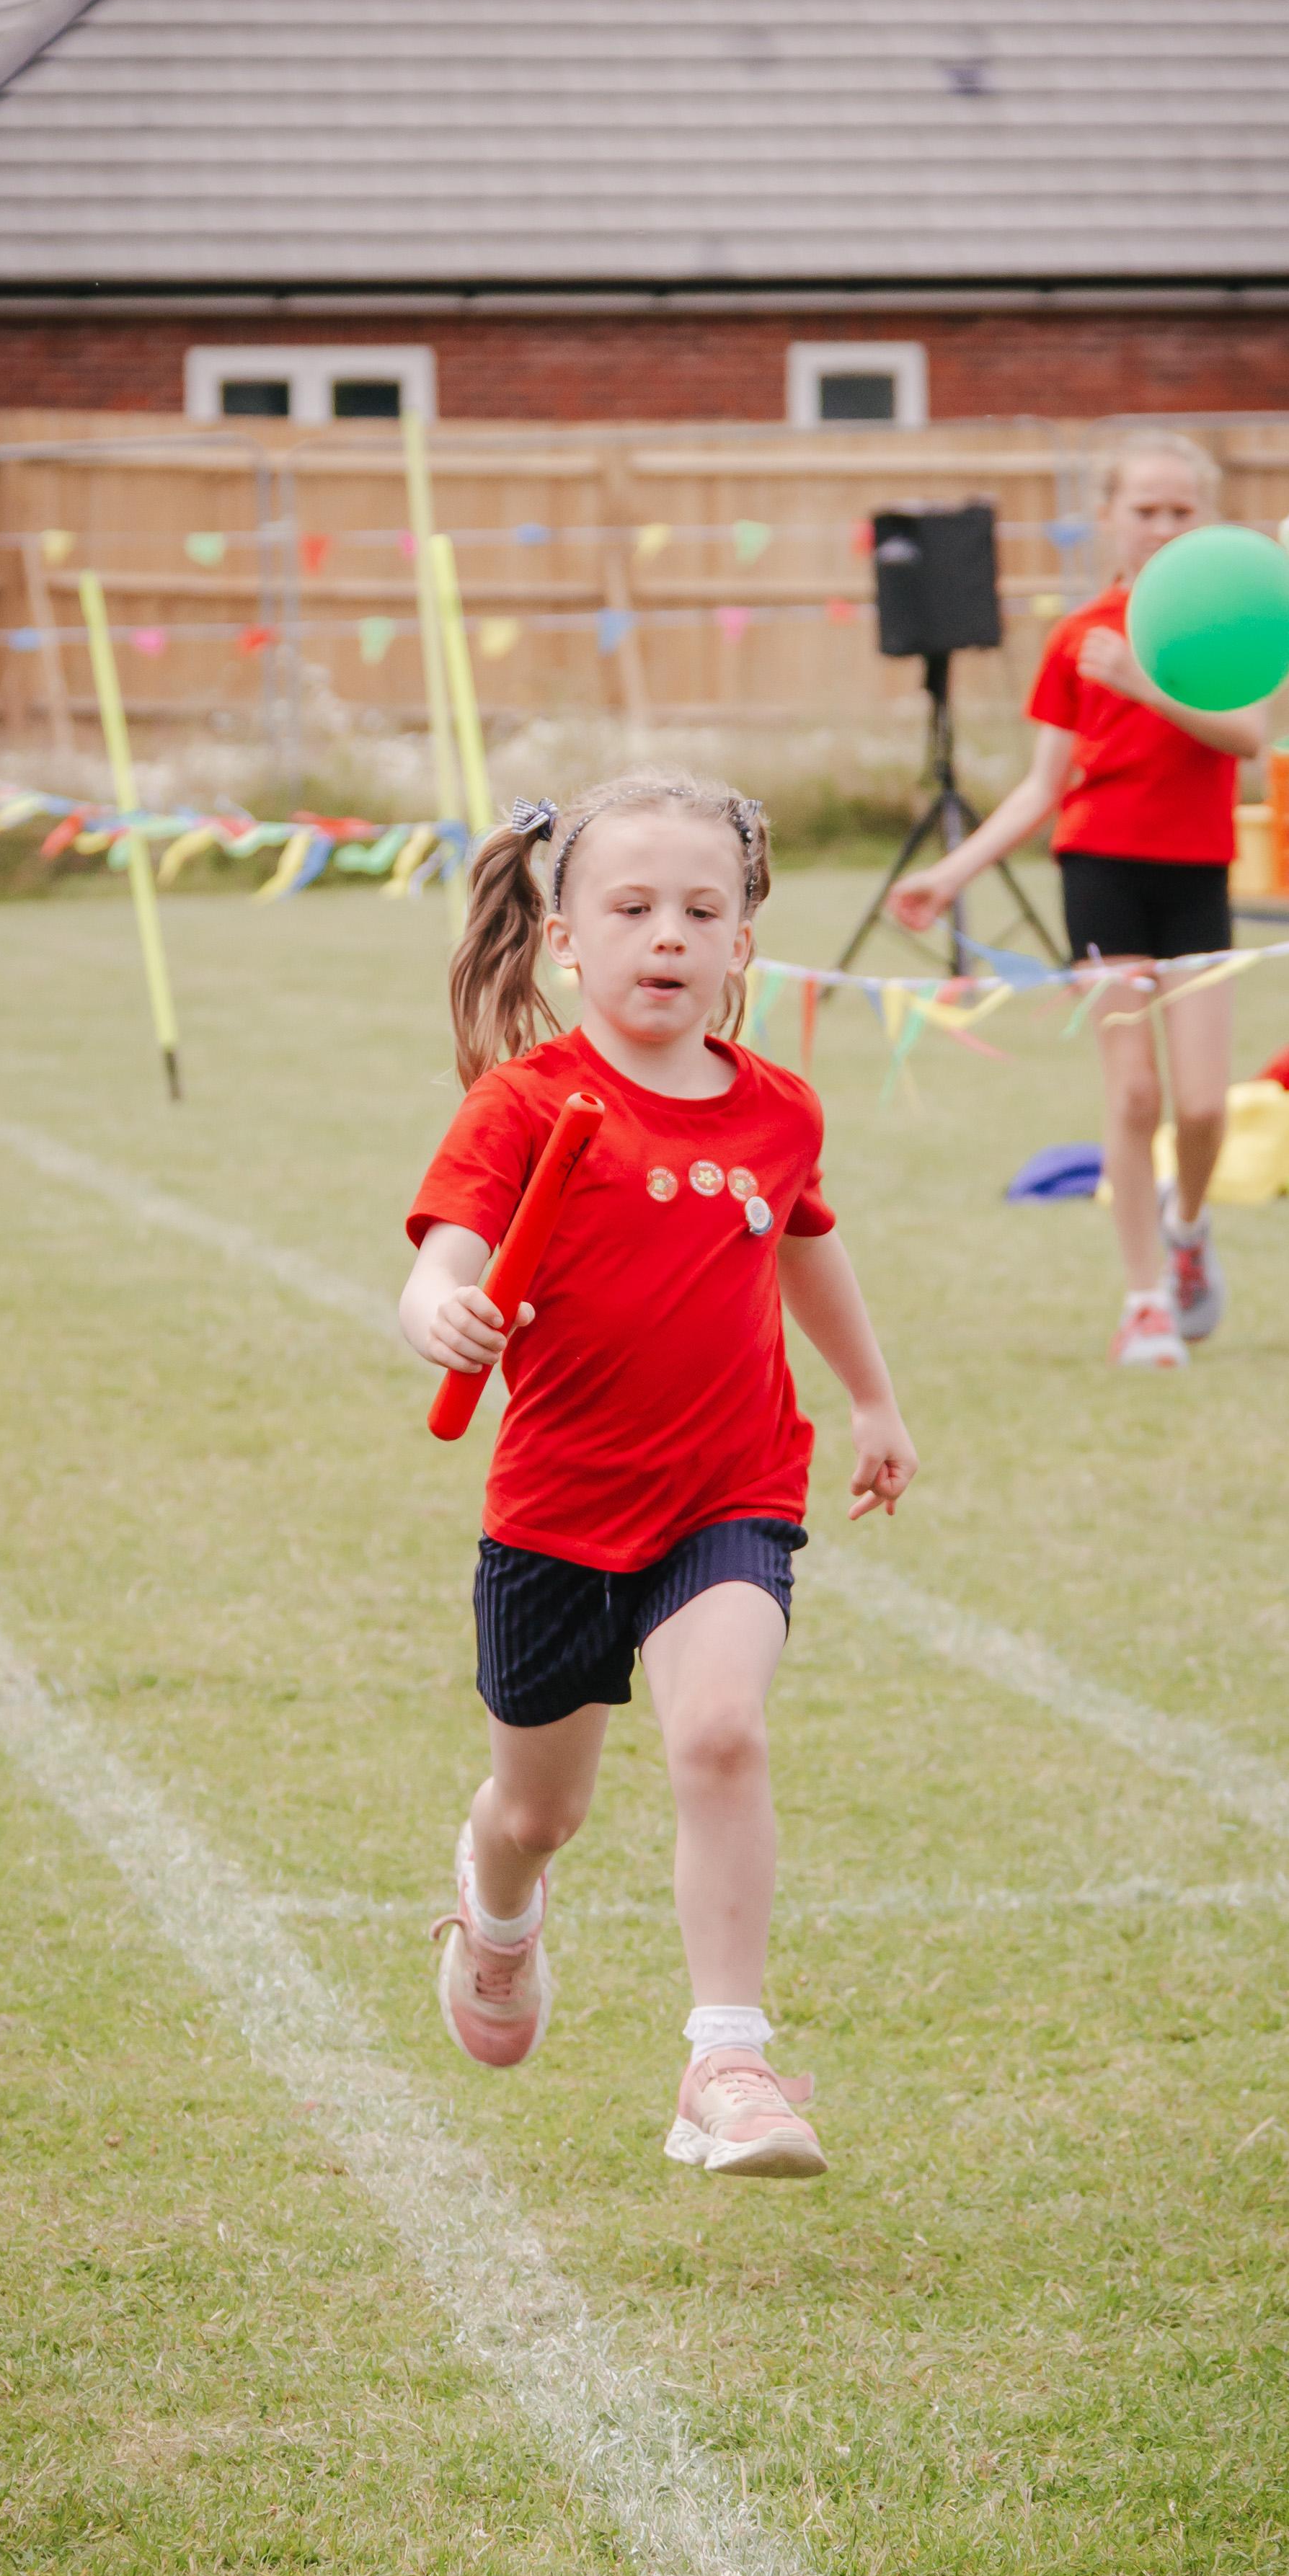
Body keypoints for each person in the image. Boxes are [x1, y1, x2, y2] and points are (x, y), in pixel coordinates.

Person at [400, 774, 917, 2180]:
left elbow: (803, 1242)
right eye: (630, 908)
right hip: (559, 1518)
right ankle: (498, 1910)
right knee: (539, 1812)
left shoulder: (778, 1110)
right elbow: (442, 1261)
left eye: (701, 908)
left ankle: (726, 2061)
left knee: (721, 1734)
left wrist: (871, 1397)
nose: (668, 935)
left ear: (743, 939)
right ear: (566, 939)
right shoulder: (522, 1105)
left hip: (727, 1492)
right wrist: (441, 1313)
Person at [890, 432, 1272, 1369]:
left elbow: (1247, 737)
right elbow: (1040, 788)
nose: (1162, 526)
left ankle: (1188, 1231)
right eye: (1144, 510)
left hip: (1197, 875)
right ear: (1106, 518)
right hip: (1100, 870)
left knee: (1203, 1106)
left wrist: (1143, 682)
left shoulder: (1224, 624)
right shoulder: (1076, 639)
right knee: (1135, 1094)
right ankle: (1144, 1303)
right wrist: (950, 873)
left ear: (1206, 519)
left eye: (1181, 510)